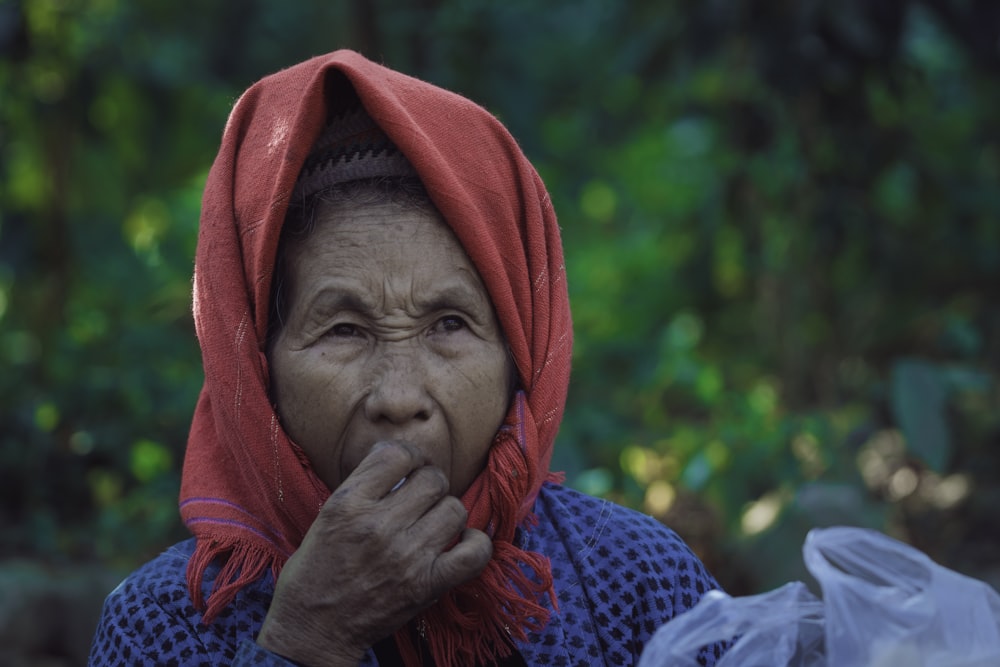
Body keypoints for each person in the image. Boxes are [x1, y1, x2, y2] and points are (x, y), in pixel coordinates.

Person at [88, 50, 726, 667]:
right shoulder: (161, 628)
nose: (398, 399)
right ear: (259, 372)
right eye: (342, 330)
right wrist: (306, 640)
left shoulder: (638, 582)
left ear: (518, 354)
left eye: (449, 324)